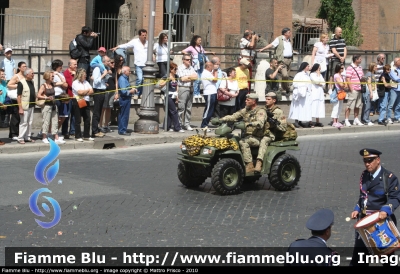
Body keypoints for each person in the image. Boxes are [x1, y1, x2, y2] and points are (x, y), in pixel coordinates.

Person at [349, 148, 400, 266]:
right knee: (359, 259)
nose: (367, 164)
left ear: (378, 160)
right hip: (364, 223)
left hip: (381, 225)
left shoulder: (389, 178)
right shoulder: (365, 175)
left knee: (387, 259)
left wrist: (386, 210)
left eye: (370, 161)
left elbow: (395, 197)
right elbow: (363, 196)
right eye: (365, 161)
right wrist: (357, 208)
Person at [214, 93, 267, 174]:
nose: (245, 101)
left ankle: (249, 165)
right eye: (246, 100)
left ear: (254, 102)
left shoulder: (260, 111)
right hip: (246, 136)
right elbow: (234, 116)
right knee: (231, 139)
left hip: (257, 137)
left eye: (248, 100)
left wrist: (247, 124)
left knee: (243, 142)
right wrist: (221, 119)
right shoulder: (246, 110)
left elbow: (260, 123)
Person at [111, 29, 148, 99]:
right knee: (140, 79)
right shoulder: (135, 42)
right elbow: (126, 45)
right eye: (143, 35)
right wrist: (117, 47)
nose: (144, 37)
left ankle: (141, 93)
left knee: (144, 79)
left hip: (146, 64)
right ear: (139, 35)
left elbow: (151, 50)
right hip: (138, 63)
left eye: (145, 35)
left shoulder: (148, 43)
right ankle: (136, 93)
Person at [256, 92, 288, 173]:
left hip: (271, 134)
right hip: (261, 131)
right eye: (266, 99)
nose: (266, 101)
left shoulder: (278, 112)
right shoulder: (263, 109)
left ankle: (259, 162)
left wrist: (274, 124)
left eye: (268, 99)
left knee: (264, 140)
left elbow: (283, 127)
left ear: (274, 100)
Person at [258, 27, 294, 94]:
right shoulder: (279, 39)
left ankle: (285, 89)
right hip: (282, 60)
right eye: (289, 32)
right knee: (285, 75)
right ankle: (287, 88)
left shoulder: (289, 40)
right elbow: (271, 45)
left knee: (286, 76)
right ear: (285, 33)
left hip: (289, 60)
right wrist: (263, 49)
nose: (290, 33)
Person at [36, 71, 65, 144]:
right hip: (46, 106)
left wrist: (58, 73)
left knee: (55, 121)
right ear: (47, 77)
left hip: (53, 105)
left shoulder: (53, 84)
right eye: (52, 76)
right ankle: (44, 137)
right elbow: (38, 95)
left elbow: (63, 82)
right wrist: (46, 98)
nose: (53, 77)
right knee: (46, 121)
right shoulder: (44, 85)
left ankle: (56, 137)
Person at [159, 62, 184, 133]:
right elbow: (160, 85)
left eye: (176, 69)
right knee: (174, 111)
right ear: (170, 69)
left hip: (174, 95)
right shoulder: (166, 76)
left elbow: (177, 86)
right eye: (175, 69)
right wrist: (168, 80)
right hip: (168, 95)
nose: (176, 70)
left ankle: (166, 126)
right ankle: (177, 127)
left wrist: (177, 96)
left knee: (169, 112)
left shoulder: (176, 76)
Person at [176, 54, 198, 131]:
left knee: (189, 107)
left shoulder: (191, 68)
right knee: (181, 107)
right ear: (183, 60)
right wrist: (190, 77)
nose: (189, 61)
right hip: (183, 88)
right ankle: (178, 123)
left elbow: (196, 77)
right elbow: (182, 79)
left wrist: (188, 77)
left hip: (190, 88)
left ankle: (187, 124)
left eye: (190, 59)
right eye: (187, 59)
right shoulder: (180, 68)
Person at [71, 68, 94, 142]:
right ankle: (78, 135)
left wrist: (85, 92)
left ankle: (86, 135)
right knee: (78, 119)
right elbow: (80, 92)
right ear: (80, 75)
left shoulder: (86, 82)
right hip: (78, 101)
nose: (86, 76)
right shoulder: (75, 83)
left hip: (86, 101)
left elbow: (92, 91)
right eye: (84, 74)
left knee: (87, 118)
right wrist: (87, 91)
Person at [91, 55, 111, 138]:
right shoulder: (97, 69)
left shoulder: (102, 69)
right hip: (98, 92)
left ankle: (98, 129)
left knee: (99, 112)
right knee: (96, 112)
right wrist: (104, 75)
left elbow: (100, 81)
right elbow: (95, 82)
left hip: (102, 91)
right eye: (108, 61)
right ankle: (94, 131)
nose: (109, 63)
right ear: (103, 62)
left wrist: (104, 83)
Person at [7, 62, 27, 140]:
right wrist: (17, 86)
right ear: (19, 67)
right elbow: (9, 85)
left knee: (21, 117)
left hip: (24, 98)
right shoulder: (16, 76)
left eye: (26, 66)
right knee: (16, 116)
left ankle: (19, 132)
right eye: (23, 66)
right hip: (16, 99)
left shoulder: (25, 75)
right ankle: (13, 134)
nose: (25, 67)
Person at [289, 62, 312, 128]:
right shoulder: (299, 74)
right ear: (304, 67)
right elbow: (295, 84)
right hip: (299, 94)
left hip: (305, 95)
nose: (308, 67)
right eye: (307, 66)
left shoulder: (307, 75)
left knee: (303, 108)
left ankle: (300, 121)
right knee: (297, 108)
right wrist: (304, 87)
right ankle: (296, 121)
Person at [16, 68, 36, 144]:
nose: (33, 75)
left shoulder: (31, 82)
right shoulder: (21, 83)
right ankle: (20, 137)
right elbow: (19, 96)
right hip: (25, 106)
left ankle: (27, 137)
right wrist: (20, 108)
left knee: (30, 122)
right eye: (32, 73)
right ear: (27, 74)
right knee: (23, 122)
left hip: (31, 105)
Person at [344, 55, 364, 127]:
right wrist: (351, 89)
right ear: (356, 60)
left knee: (357, 105)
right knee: (349, 105)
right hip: (353, 89)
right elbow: (348, 78)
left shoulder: (360, 67)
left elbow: (361, 77)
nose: (361, 60)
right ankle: (346, 120)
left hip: (359, 89)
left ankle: (356, 119)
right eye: (360, 59)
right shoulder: (350, 68)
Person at [117, 66, 137, 136]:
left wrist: (132, 88)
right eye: (129, 71)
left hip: (125, 99)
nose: (130, 72)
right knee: (124, 115)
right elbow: (123, 91)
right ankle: (122, 130)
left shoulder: (125, 79)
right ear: (125, 72)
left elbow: (126, 88)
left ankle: (122, 129)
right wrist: (131, 91)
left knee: (123, 114)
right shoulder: (122, 79)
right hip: (124, 99)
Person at [62, 59, 78, 139]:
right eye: (74, 64)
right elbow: (72, 85)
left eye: (76, 64)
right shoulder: (66, 73)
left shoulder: (76, 73)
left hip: (75, 97)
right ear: (70, 65)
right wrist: (75, 76)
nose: (76, 66)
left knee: (74, 115)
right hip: (68, 97)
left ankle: (73, 131)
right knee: (67, 115)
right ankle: (65, 132)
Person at [200, 61, 218, 130]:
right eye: (212, 66)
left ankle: (205, 124)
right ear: (208, 67)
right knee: (208, 109)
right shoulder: (206, 73)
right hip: (209, 93)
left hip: (212, 92)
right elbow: (215, 80)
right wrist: (216, 72)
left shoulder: (209, 73)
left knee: (210, 110)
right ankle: (204, 125)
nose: (213, 68)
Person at [330, 63, 347, 128]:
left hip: (341, 92)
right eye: (341, 68)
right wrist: (344, 84)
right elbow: (341, 84)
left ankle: (337, 121)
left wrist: (344, 84)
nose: (343, 69)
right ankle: (334, 121)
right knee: (336, 107)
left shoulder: (342, 76)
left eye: (343, 68)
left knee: (340, 107)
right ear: (338, 68)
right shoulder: (336, 75)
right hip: (337, 93)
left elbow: (345, 85)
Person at [387, 57, 400, 124]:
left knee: (398, 104)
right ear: (396, 62)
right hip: (394, 89)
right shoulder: (392, 69)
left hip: (399, 89)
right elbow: (395, 78)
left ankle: (397, 117)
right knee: (391, 104)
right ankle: (388, 117)